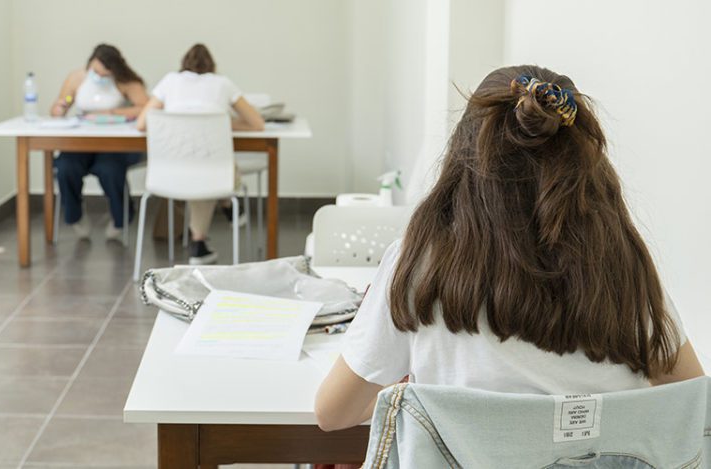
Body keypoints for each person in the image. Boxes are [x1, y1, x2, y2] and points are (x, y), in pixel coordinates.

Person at [314, 65, 705, 432]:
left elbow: (333, 413)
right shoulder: (622, 267)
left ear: (465, 161)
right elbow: (693, 404)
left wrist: (410, 398)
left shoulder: (419, 263)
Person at [137, 43, 264, 265]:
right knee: (212, 171)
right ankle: (204, 234)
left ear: (183, 65)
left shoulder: (169, 81)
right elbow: (257, 124)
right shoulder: (222, 83)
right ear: (211, 66)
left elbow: (142, 123)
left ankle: (202, 238)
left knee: (199, 171)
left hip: (170, 174)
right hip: (214, 173)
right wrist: (222, 123)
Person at [50, 44, 149, 240]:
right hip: (82, 143)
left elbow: (145, 108)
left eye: (104, 74)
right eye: (95, 72)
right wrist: (60, 107)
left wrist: (112, 113)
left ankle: (122, 217)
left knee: (109, 169)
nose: (99, 77)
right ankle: (75, 216)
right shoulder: (77, 79)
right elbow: (59, 106)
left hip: (115, 145)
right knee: (66, 166)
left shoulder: (127, 82)